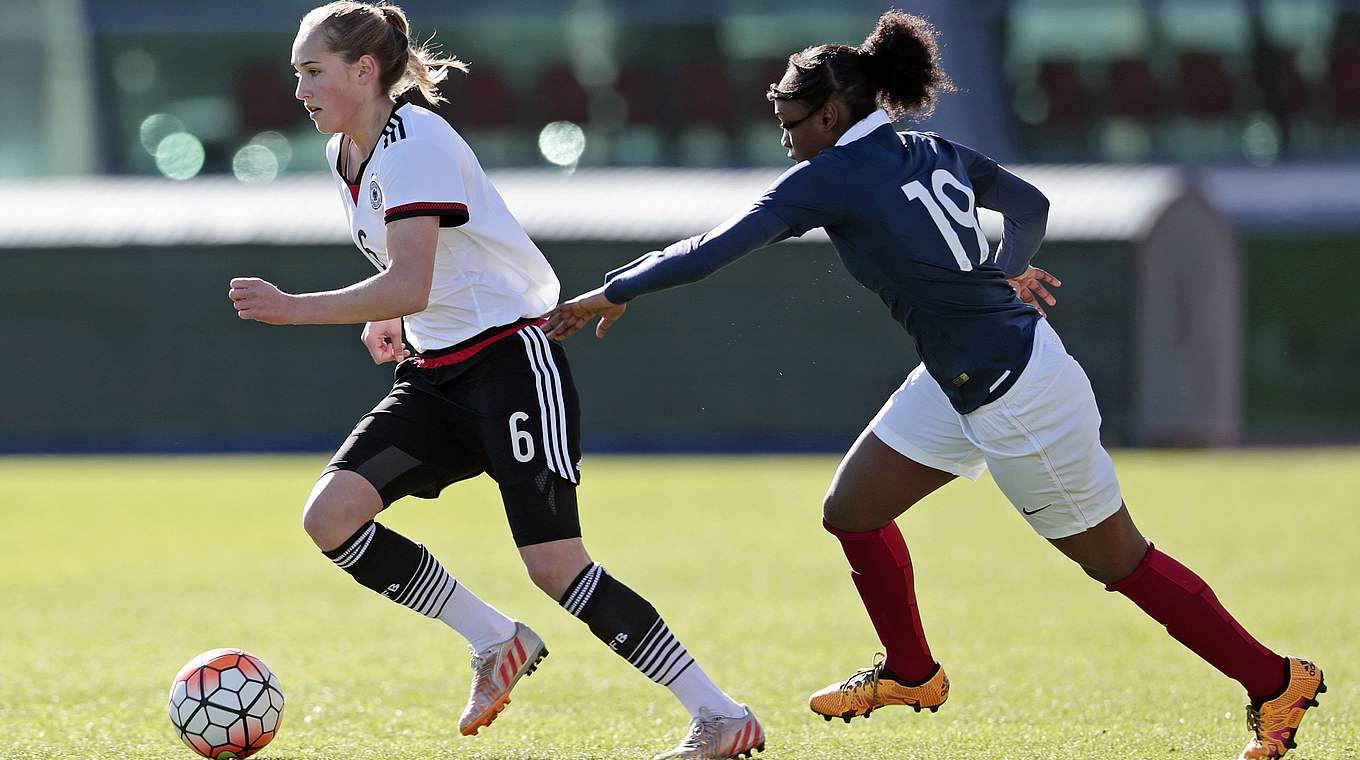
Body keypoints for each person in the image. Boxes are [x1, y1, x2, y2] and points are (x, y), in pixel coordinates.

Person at [544, 11, 1324, 760]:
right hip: (966, 376)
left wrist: (616, 289)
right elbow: (1028, 204)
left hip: (1016, 397)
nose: (783, 133)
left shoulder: (837, 173)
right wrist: (1008, 262)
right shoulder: (924, 147)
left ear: (835, 112)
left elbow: (719, 246)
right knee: (852, 510)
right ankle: (911, 674)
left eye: (791, 116)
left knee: (1118, 562)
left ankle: (1275, 679)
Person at [228, 4, 764, 758]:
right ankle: (494, 640)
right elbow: (413, 277)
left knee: (556, 566)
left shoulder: (417, 142)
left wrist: (295, 310)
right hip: (436, 370)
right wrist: (394, 320)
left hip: (511, 361)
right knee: (331, 517)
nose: (299, 89)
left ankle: (720, 714)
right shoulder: (345, 152)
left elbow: (410, 280)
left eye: (312, 71)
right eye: (296, 73)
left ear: (364, 70)